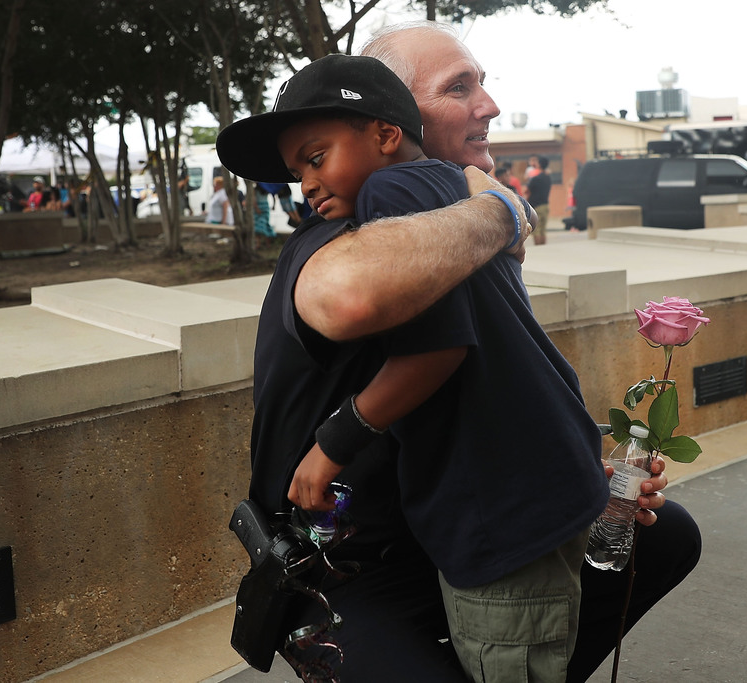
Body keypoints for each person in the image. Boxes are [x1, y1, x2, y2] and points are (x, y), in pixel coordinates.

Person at [220, 20, 700, 683]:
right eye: (460, 87)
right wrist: (503, 207)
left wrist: (596, 469)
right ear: (396, 118)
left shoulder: (449, 233)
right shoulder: (354, 229)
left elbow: (501, 376)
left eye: (483, 83)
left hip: (449, 527)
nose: (490, 106)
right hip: (341, 566)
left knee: (665, 535)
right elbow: (355, 296)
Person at [526, 155, 551, 245]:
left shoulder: (535, 178)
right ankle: (543, 248)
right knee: (543, 230)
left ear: (539, 164)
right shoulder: (548, 178)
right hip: (545, 205)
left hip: (536, 206)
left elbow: (527, 191)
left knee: (537, 230)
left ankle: (538, 248)